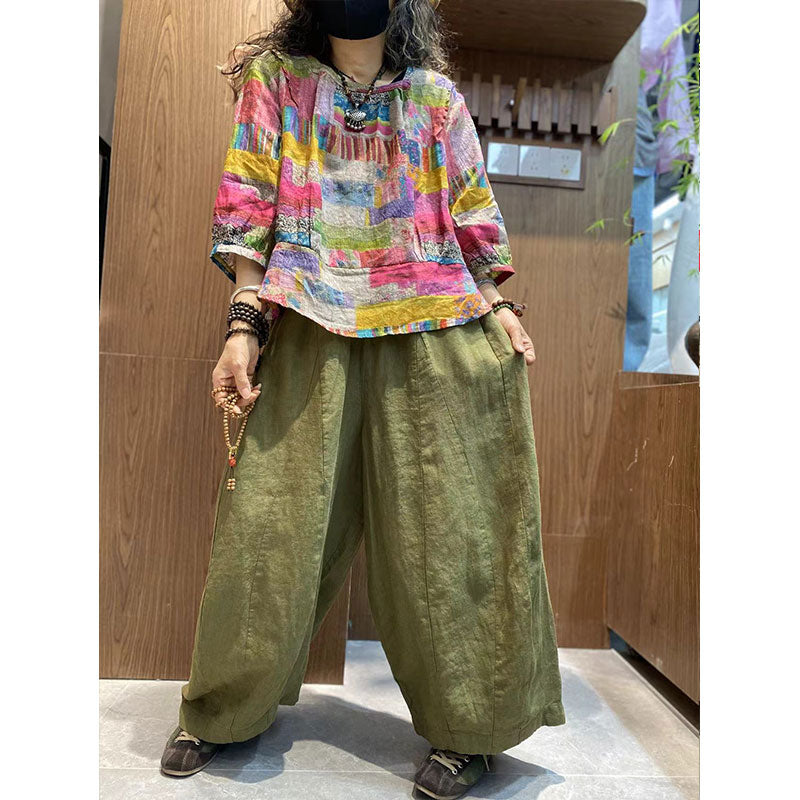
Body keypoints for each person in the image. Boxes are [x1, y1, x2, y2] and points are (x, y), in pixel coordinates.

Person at [160, 2, 565, 798]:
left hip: (436, 324)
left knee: (450, 537)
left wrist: (501, 307)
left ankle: (470, 729)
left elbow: (471, 208)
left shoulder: (434, 97)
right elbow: (249, 199)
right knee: (269, 530)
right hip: (311, 316)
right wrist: (243, 325)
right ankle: (221, 710)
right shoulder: (278, 81)